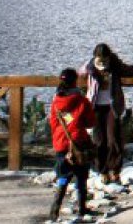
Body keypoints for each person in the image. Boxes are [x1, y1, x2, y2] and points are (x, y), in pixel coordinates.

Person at [81, 43, 133, 183]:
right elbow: (78, 74)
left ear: (109, 57)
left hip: (112, 106)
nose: (102, 63)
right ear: (95, 57)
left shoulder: (116, 66)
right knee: (99, 140)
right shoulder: (89, 67)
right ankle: (102, 171)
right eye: (99, 59)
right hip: (96, 107)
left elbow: (131, 70)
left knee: (113, 139)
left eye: (105, 59)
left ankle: (115, 170)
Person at [48, 67, 96, 222]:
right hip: (79, 143)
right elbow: (90, 123)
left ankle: (55, 210)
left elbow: (53, 123)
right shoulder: (81, 100)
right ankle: (82, 209)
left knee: (63, 176)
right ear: (75, 81)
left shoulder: (56, 102)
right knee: (81, 177)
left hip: (61, 144)